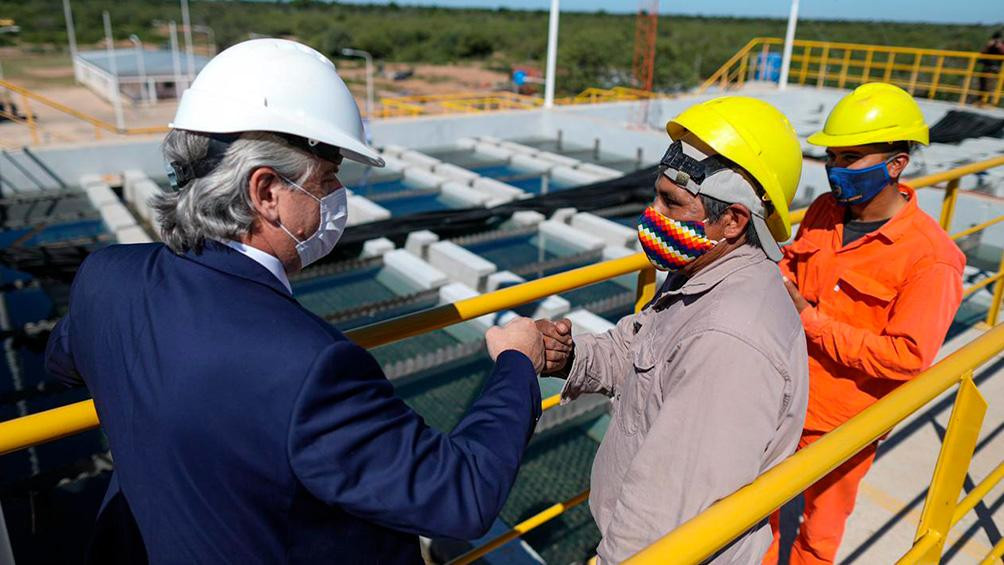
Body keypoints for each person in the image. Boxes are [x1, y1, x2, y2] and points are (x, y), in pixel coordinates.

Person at [44, 38, 546, 564]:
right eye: (326, 179)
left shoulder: (106, 278)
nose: (335, 197)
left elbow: (66, 361)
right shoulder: (309, 363)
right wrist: (517, 360)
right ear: (265, 192)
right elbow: (459, 494)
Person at [535, 96, 809, 563]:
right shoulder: (703, 268)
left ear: (734, 220)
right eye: (655, 194)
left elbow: (662, 514)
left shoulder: (727, 340)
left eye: (671, 201)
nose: (652, 212)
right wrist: (569, 355)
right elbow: (637, 347)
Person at [764, 82, 966, 565]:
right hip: (782, 392)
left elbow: (906, 358)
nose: (835, 169)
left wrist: (809, 320)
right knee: (762, 510)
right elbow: (792, 265)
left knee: (818, 535)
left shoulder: (931, 259)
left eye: (850, 157)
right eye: (832, 156)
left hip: (843, 423)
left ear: (897, 163)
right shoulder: (826, 210)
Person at [976, 31, 1004, 105]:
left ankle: (989, 102)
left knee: (991, 86)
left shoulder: (1001, 45)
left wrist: (1000, 46)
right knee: (981, 85)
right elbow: (982, 53)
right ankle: (980, 101)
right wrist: (988, 45)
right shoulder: (989, 46)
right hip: (986, 68)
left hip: (995, 69)